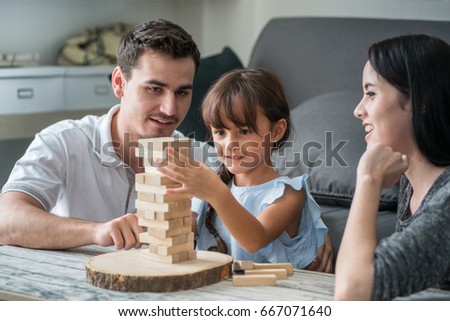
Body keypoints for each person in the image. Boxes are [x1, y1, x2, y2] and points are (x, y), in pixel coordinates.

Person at [0, 19, 201, 250]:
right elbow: (6, 220)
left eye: (182, 92)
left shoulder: (203, 158)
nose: (170, 109)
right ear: (119, 83)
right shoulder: (62, 142)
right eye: (154, 89)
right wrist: (97, 231)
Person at [158, 68, 334, 272]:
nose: (230, 143)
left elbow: (254, 239)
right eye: (220, 132)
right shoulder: (212, 187)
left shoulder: (289, 194)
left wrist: (216, 192)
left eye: (244, 131)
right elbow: (180, 240)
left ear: (276, 131)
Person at [335, 34, 450, 300]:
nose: (358, 110)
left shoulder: (446, 202)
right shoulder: (411, 185)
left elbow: (352, 294)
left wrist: (369, 179)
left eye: (371, 94)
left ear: (420, 100)